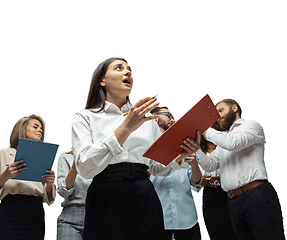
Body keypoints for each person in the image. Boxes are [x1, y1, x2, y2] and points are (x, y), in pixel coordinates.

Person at [71, 57, 201, 240]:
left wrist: (180, 155)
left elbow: (156, 167)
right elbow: (84, 166)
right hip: (105, 193)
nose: (128, 72)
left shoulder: (147, 119)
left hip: (144, 192)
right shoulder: (84, 116)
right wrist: (126, 128)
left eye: (129, 69)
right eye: (119, 68)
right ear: (102, 80)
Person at [197, 99, 285, 240]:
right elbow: (210, 165)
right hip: (233, 202)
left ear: (234, 107)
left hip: (256, 196)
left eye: (221, 110)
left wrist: (206, 131)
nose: (218, 117)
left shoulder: (251, 125)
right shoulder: (223, 140)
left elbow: (233, 143)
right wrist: (195, 148)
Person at [0, 114, 56, 240]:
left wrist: (50, 183)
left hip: (35, 216)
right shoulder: (3, 155)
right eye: (35, 126)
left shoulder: (42, 158)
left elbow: (48, 197)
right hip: (10, 212)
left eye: (41, 129)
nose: (40, 130)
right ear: (22, 129)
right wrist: (6, 175)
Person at [150, 107, 202, 240]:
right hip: (157, 220)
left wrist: (194, 164)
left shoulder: (184, 146)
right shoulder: (144, 147)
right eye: (168, 115)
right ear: (155, 117)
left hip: (187, 219)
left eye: (172, 116)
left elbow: (195, 181)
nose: (172, 119)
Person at [196, 121, 238, 240]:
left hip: (228, 194)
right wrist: (200, 180)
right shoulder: (198, 152)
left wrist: (222, 178)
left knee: (236, 233)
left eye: (212, 128)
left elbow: (238, 170)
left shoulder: (227, 148)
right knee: (217, 233)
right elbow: (192, 178)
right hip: (210, 198)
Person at [56, 149, 92, 240]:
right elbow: (63, 192)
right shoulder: (65, 158)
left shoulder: (104, 159)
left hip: (97, 217)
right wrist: (73, 169)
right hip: (70, 219)